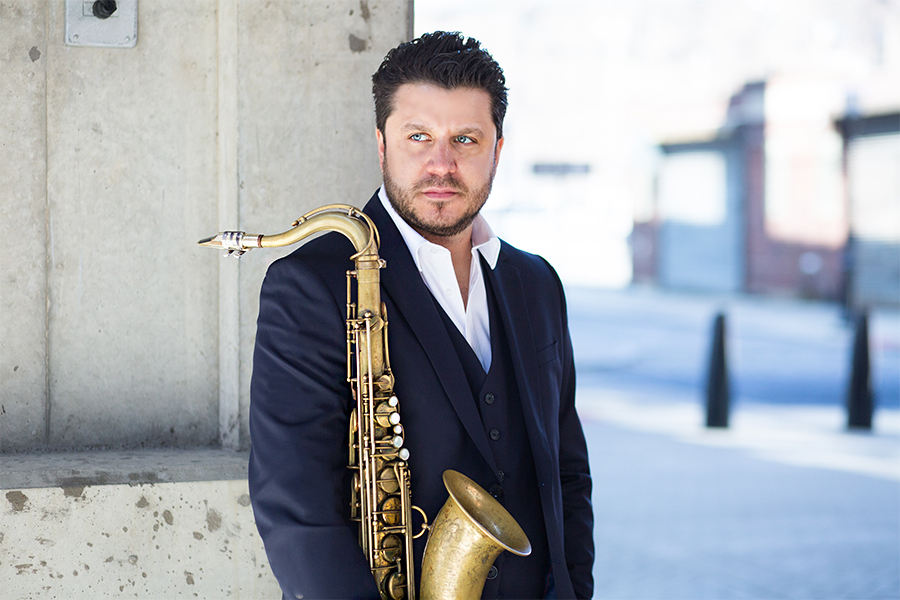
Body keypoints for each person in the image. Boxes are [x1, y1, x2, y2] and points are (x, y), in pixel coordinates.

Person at [249, 31, 594, 600]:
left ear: (497, 151)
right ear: (381, 145)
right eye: (418, 137)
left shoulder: (536, 283)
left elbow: (568, 475)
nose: (442, 164)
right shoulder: (309, 285)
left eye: (465, 139)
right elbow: (296, 509)